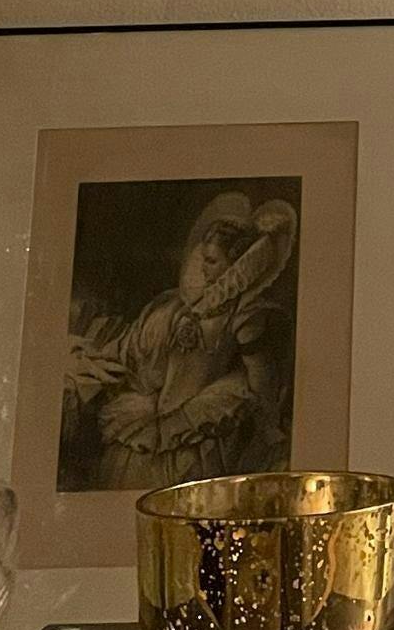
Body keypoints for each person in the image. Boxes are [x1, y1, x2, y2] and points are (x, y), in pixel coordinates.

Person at [61, 190, 299, 490]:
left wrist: (268, 429)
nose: (203, 267)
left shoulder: (246, 317)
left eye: (212, 261)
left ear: (237, 265)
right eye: (203, 257)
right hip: (142, 426)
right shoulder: (171, 305)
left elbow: (260, 385)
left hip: (192, 440)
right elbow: (129, 352)